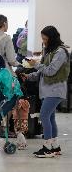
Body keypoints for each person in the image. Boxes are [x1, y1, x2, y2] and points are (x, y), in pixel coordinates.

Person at [22, 26, 70, 158]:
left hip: (55, 90)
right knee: (50, 117)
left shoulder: (60, 52)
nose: (43, 41)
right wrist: (29, 76)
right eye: (42, 38)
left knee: (43, 116)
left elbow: (50, 70)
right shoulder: (49, 51)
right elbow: (43, 71)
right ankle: (55, 147)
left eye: (45, 38)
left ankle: (47, 148)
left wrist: (35, 64)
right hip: (48, 90)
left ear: (52, 38)